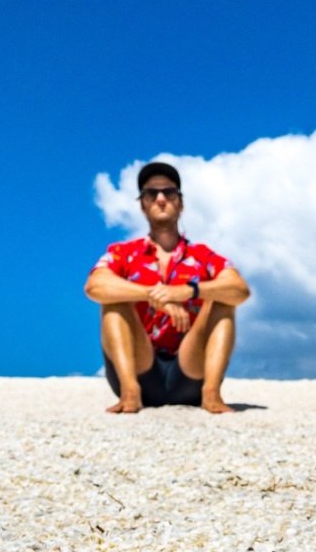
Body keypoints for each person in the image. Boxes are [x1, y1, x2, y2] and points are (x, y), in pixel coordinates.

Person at [85, 162, 250, 414]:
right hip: (140, 369)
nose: (160, 199)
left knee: (223, 298)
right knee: (113, 299)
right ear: (143, 205)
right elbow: (95, 286)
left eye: (169, 192)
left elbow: (239, 289)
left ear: (180, 203)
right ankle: (130, 393)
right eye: (151, 194)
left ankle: (211, 394)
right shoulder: (123, 252)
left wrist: (189, 290)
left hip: (190, 372)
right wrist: (154, 295)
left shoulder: (203, 255)